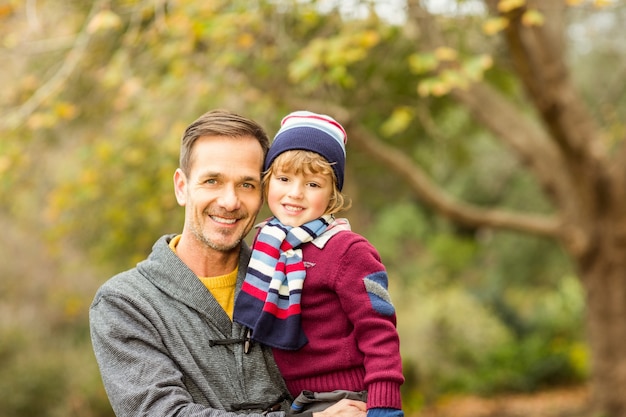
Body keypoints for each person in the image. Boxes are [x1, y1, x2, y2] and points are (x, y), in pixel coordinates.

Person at [89, 109, 367, 417]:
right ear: (182, 187)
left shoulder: (299, 274)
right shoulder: (126, 302)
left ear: (264, 193)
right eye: (212, 181)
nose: (230, 201)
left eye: (247, 184)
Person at [233, 111, 404, 417]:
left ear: (332, 194)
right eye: (284, 179)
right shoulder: (264, 245)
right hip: (293, 402)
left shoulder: (348, 251)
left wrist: (384, 407)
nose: (295, 193)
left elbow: (380, 333)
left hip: (346, 398)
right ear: (268, 181)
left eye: (313, 184)